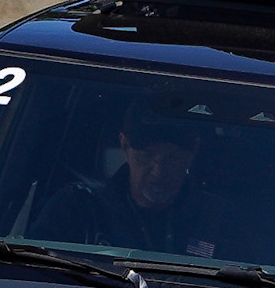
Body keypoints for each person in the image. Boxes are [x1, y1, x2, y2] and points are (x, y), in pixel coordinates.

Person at [35, 100, 225, 258]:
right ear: (124, 145)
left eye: (172, 159)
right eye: (146, 156)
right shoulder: (77, 209)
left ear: (193, 153)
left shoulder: (219, 220)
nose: (158, 172)